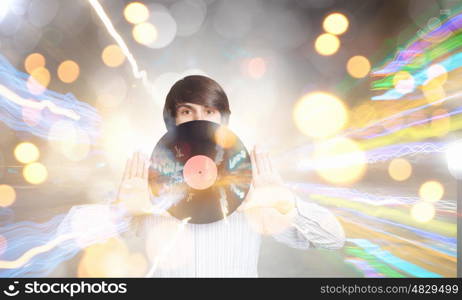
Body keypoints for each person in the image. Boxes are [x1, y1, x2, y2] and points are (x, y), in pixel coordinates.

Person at [116, 75, 345, 277]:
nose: (199, 120)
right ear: (172, 121)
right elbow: (89, 234)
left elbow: (333, 239)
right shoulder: (147, 181)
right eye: (187, 111)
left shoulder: (251, 183)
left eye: (209, 111)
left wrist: (283, 202)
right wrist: (122, 209)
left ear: (222, 120)